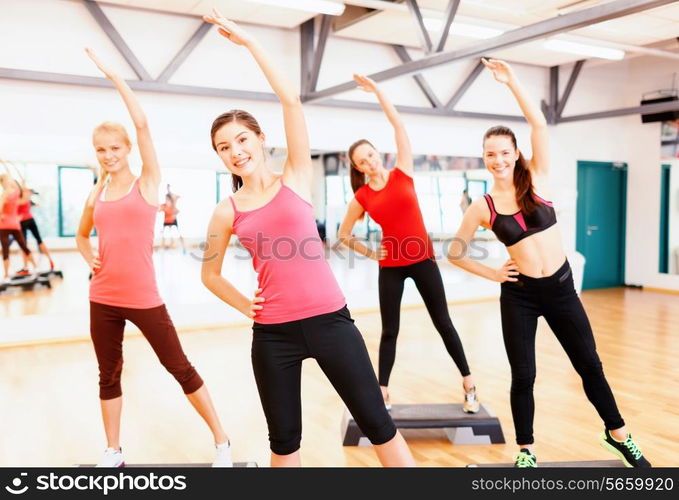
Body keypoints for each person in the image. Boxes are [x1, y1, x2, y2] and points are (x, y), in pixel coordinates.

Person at [200, 10, 415, 467]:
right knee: (284, 443)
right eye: (224, 146)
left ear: (260, 139)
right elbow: (210, 274)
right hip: (272, 335)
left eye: (241, 139)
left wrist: (248, 41)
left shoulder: (295, 177)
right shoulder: (227, 210)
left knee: (378, 426)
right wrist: (246, 305)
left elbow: (291, 101)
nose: (235, 151)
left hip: (330, 323)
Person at [448, 58, 651, 468]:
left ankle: (619, 436)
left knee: (589, 364)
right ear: (484, 159)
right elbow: (455, 252)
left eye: (504, 152)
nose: (498, 160)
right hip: (520, 295)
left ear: (515, 152)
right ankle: (526, 451)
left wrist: (512, 81)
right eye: (490, 155)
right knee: (524, 376)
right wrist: (492, 273)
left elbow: (539, 125)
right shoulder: (483, 207)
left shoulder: (537, 178)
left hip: (560, 288)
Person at [76, 48, 232, 468]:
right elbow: (81, 234)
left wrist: (114, 76)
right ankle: (113, 451)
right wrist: (90, 256)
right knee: (108, 376)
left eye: (114, 148)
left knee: (179, 367)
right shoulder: (97, 191)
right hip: (102, 298)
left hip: (144, 297)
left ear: (127, 149)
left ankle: (222, 442)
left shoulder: (147, 183)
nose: (108, 155)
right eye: (101, 150)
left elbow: (142, 123)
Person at [337, 75, 479, 413]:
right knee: (390, 331)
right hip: (391, 268)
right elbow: (343, 235)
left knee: (443, 323)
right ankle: (382, 392)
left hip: (423, 260)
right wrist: (372, 253)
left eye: (370, 155)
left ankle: (470, 384)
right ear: (358, 168)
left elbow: (398, 125)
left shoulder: (404, 171)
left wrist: (378, 92)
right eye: (362, 161)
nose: (369, 162)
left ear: (377, 154)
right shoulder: (362, 196)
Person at [0, 164, 36, 281]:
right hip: (5, 225)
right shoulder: (6, 194)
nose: (9, 180)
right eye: (7, 179)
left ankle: (35, 268)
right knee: (6, 249)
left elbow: (24, 198)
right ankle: (6, 274)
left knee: (23, 246)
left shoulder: (13, 193)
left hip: (13, 224)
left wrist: (6, 164)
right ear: (4, 181)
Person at [159, 184, 185, 251]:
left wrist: (174, 215)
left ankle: (183, 247)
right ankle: (162, 247)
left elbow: (178, 211)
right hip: (166, 221)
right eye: (166, 199)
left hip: (173, 220)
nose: (166, 201)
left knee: (178, 233)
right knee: (163, 234)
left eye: (167, 200)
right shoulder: (164, 206)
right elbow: (158, 209)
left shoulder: (173, 206)